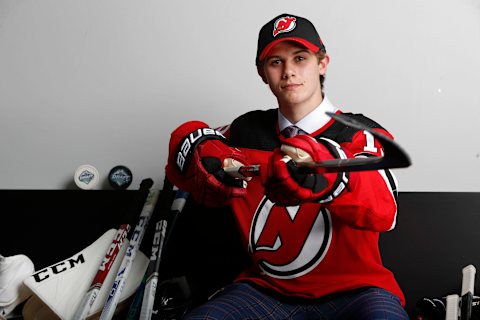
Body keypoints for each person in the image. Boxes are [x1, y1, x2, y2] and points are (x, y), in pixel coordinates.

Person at [165, 13, 409, 320]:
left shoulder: (361, 133)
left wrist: (327, 172)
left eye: (300, 58)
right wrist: (195, 146)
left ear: (322, 63)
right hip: (266, 290)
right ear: (262, 73)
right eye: (276, 62)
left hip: (357, 290)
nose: (289, 71)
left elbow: (385, 211)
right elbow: (188, 148)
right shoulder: (245, 131)